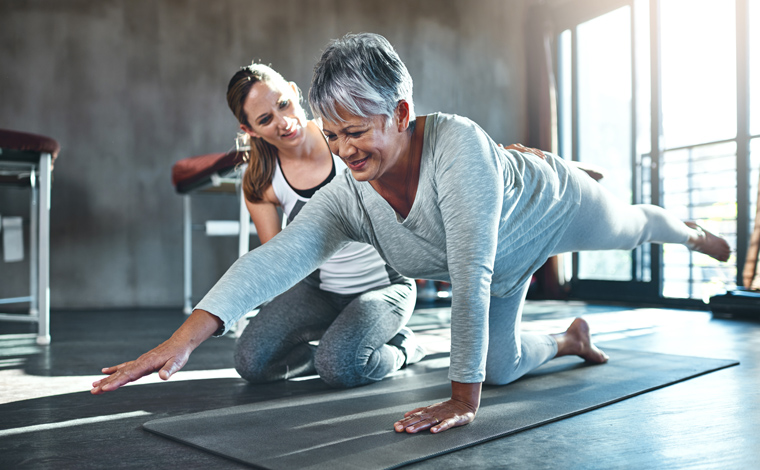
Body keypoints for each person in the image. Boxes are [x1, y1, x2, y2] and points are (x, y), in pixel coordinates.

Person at [94, 33, 731, 437]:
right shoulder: (347, 192)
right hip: (504, 266)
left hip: (550, 208)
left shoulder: (456, 151)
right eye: (335, 135)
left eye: (358, 132)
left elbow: (470, 271)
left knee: (629, 228)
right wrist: (180, 342)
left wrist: (460, 399)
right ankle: (570, 338)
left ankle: (689, 229)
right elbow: (279, 257)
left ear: (400, 113)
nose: (344, 151)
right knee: (502, 367)